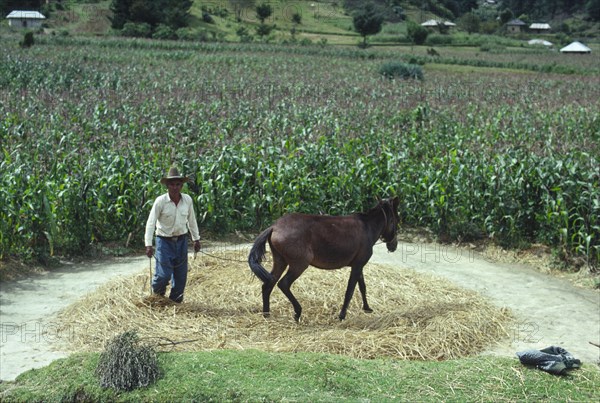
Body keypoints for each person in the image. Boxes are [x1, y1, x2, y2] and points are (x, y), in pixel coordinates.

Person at [145, 167, 201, 303]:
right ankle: (157, 298)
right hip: (164, 242)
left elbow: (192, 220)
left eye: (177, 184)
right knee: (163, 275)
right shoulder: (160, 201)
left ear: (182, 186)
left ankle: (175, 303)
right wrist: (148, 244)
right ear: (167, 185)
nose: (175, 187)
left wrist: (196, 239)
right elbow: (151, 223)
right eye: (171, 184)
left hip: (181, 241)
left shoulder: (187, 200)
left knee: (181, 276)